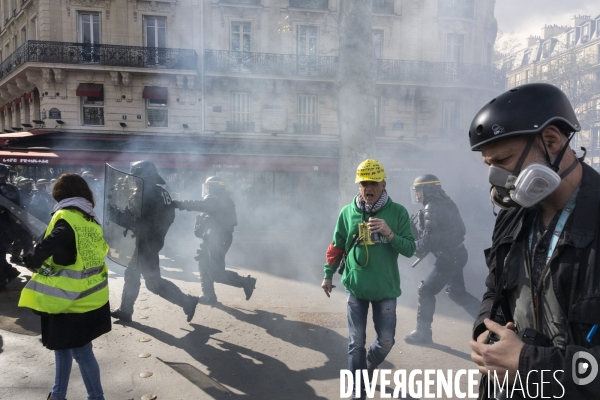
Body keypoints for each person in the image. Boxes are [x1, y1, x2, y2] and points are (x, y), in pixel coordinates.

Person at [468, 83, 600, 397]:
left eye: (503, 160)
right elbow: (494, 287)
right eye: (489, 166)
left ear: (552, 140)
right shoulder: (513, 216)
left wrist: (529, 363)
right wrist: (486, 331)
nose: (495, 178)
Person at [321, 159, 415, 400]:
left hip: (386, 289)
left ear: (384, 184)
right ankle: (358, 391)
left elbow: (410, 249)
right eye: (363, 183)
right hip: (355, 287)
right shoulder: (348, 212)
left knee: (386, 341)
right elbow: (336, 246)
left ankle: (369, 364)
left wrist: (389, 233)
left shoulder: (398, 212)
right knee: (356, 342)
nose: (368, 188)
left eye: (373, 182)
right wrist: (327, 275)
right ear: (358, 186)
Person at [18, 173, 111, 400]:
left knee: (80, 351)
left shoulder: (66, 215)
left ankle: (96, 398)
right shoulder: (89, 217)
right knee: (62, 347)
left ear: (60, 194)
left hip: (68, 299)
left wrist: (32, 259)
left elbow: (56, 238)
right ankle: (58, 395)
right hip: (91, 295)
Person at [110, 161, 198, 323]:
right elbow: (168, 217)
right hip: (150, 241)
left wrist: (115, 214)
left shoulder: (145, 193)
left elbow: (134, 220)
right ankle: (125, 310)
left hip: (145, 243)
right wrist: (158, 235)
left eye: (135, 177)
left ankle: (187, 301)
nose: (133, 180)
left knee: (153, 283)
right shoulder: (161, 192)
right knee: (131, 275)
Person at [404, 174, 480, 345]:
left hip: (449, 258)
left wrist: (410, 245)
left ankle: (423, 333)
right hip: (457, 254)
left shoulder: (432, 207)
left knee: (425, 290)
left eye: (419, 189)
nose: (416, 194)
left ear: (429, 189)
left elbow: (429, 241)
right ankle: (490, 321)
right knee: (456, 293)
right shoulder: (445, 203)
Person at [175, 176, 256, 305]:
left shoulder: (216, 200)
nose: (206, 190)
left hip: (219, 239)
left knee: (216, 274)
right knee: (203, 262)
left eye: (207, 187)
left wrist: (178, 204)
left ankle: (245, 282)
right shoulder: (221, 199)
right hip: (213, 238)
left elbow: (198, 204)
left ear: (213, 187)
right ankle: (209, 296)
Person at [0, 164, 22, 290]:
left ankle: (2, 280)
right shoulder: (12, 189)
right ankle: (10, 272)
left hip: (5, 227)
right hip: (8, 228)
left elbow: (14, 208)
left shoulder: (9, 189)